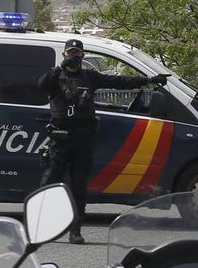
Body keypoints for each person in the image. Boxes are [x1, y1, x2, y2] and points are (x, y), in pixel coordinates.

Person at [37, 38, 167, 244]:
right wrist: (61, 67)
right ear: (63, 55)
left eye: (77, 54)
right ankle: (40, 228)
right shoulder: (55, 76)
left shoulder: (90, 77)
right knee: (49, 183)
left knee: (79, 185)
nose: (74, 57)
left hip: (83, 139)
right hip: (60, 139)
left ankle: (75, 229)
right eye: (70, 53)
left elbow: (119, 81)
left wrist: (149, 79)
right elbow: (41, 85)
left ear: (83, 56)